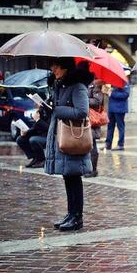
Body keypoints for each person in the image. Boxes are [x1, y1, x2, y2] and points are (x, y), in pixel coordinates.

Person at [45, 57, 92, 231]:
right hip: (62, 136)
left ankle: (77, 217)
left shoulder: (77, 86)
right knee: (67, 176)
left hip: (73, 137)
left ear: (65, 68)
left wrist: (56, 110)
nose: (53, 69)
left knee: (74, 177)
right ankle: (71, 213)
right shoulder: (60, 85)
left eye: (56, 66)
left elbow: (82, 111)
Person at [85, 78, 105, 178]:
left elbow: (98, 101)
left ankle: (93, 169)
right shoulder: (80, 85)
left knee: (92, 144)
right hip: (83, 118)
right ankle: (86, 167)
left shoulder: (93, 85)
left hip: (92, 120)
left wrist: (83, 99)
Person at [104, 82, 130, 151]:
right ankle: (108, 144)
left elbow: (125, 94)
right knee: (110, 127)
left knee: (120, 127)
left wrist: (112, 93)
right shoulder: (112, 82)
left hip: (120, 109)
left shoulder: (124, 82)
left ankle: (120, 144)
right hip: (112, 108)